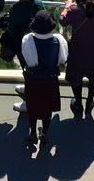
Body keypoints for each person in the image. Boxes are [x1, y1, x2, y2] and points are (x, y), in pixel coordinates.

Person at [21, 11, 68, 145]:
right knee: (47, 106)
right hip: (50, 79)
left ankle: (32, 133)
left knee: (32, 105)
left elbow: (27, 60)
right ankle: (46, 133)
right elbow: (62, 60)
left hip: (33, 78)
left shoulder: (28, 40)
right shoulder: (58, 40)